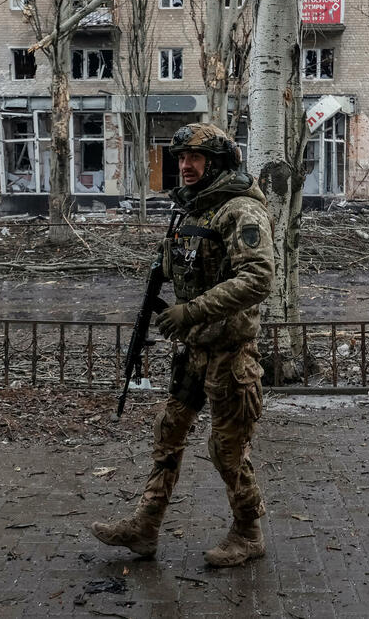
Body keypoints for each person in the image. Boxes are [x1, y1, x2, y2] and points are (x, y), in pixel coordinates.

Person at [90, 123, 275, 567]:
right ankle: (145, 526)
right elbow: (185, 271)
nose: (185, 167)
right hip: (194, 352)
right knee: (167, 434)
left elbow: (257, 278)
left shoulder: (240, 211)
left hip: (230, 356)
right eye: (181, 159)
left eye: (194, 158)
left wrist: (190, 312)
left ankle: (248, 532)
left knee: (226, 452)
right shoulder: (193, 212)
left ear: (217, 162)